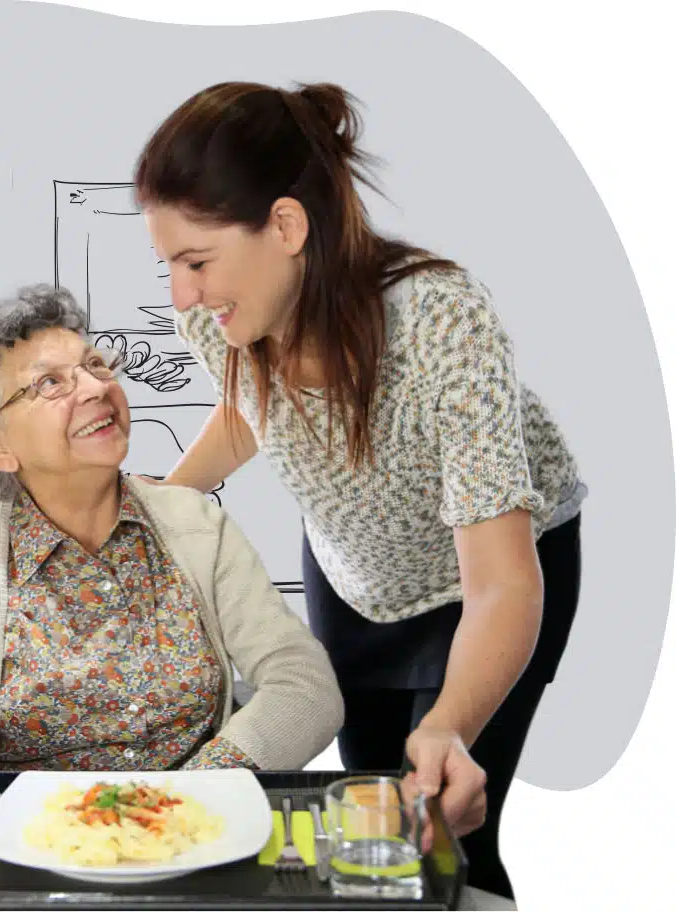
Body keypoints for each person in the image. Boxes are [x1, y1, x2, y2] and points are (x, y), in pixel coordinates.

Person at [133, 80, 585, 899]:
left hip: (486, 583)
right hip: (351, 577)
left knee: (445, 840)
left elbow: (502, 581)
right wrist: (159, 506)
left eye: (195, 262)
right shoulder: (215, 316)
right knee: (367, 836)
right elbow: (250, 413)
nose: (182, 294)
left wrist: (448, 726)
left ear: (285, 226)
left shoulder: (440, 320)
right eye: (169, 265)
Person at [0, 284, 345, 865]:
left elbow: (305, 684)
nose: (99, 387)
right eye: (50, 382)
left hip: (198, 839)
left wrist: (192, 790)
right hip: (31, 855)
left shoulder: (198, 526)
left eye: (96, 365)